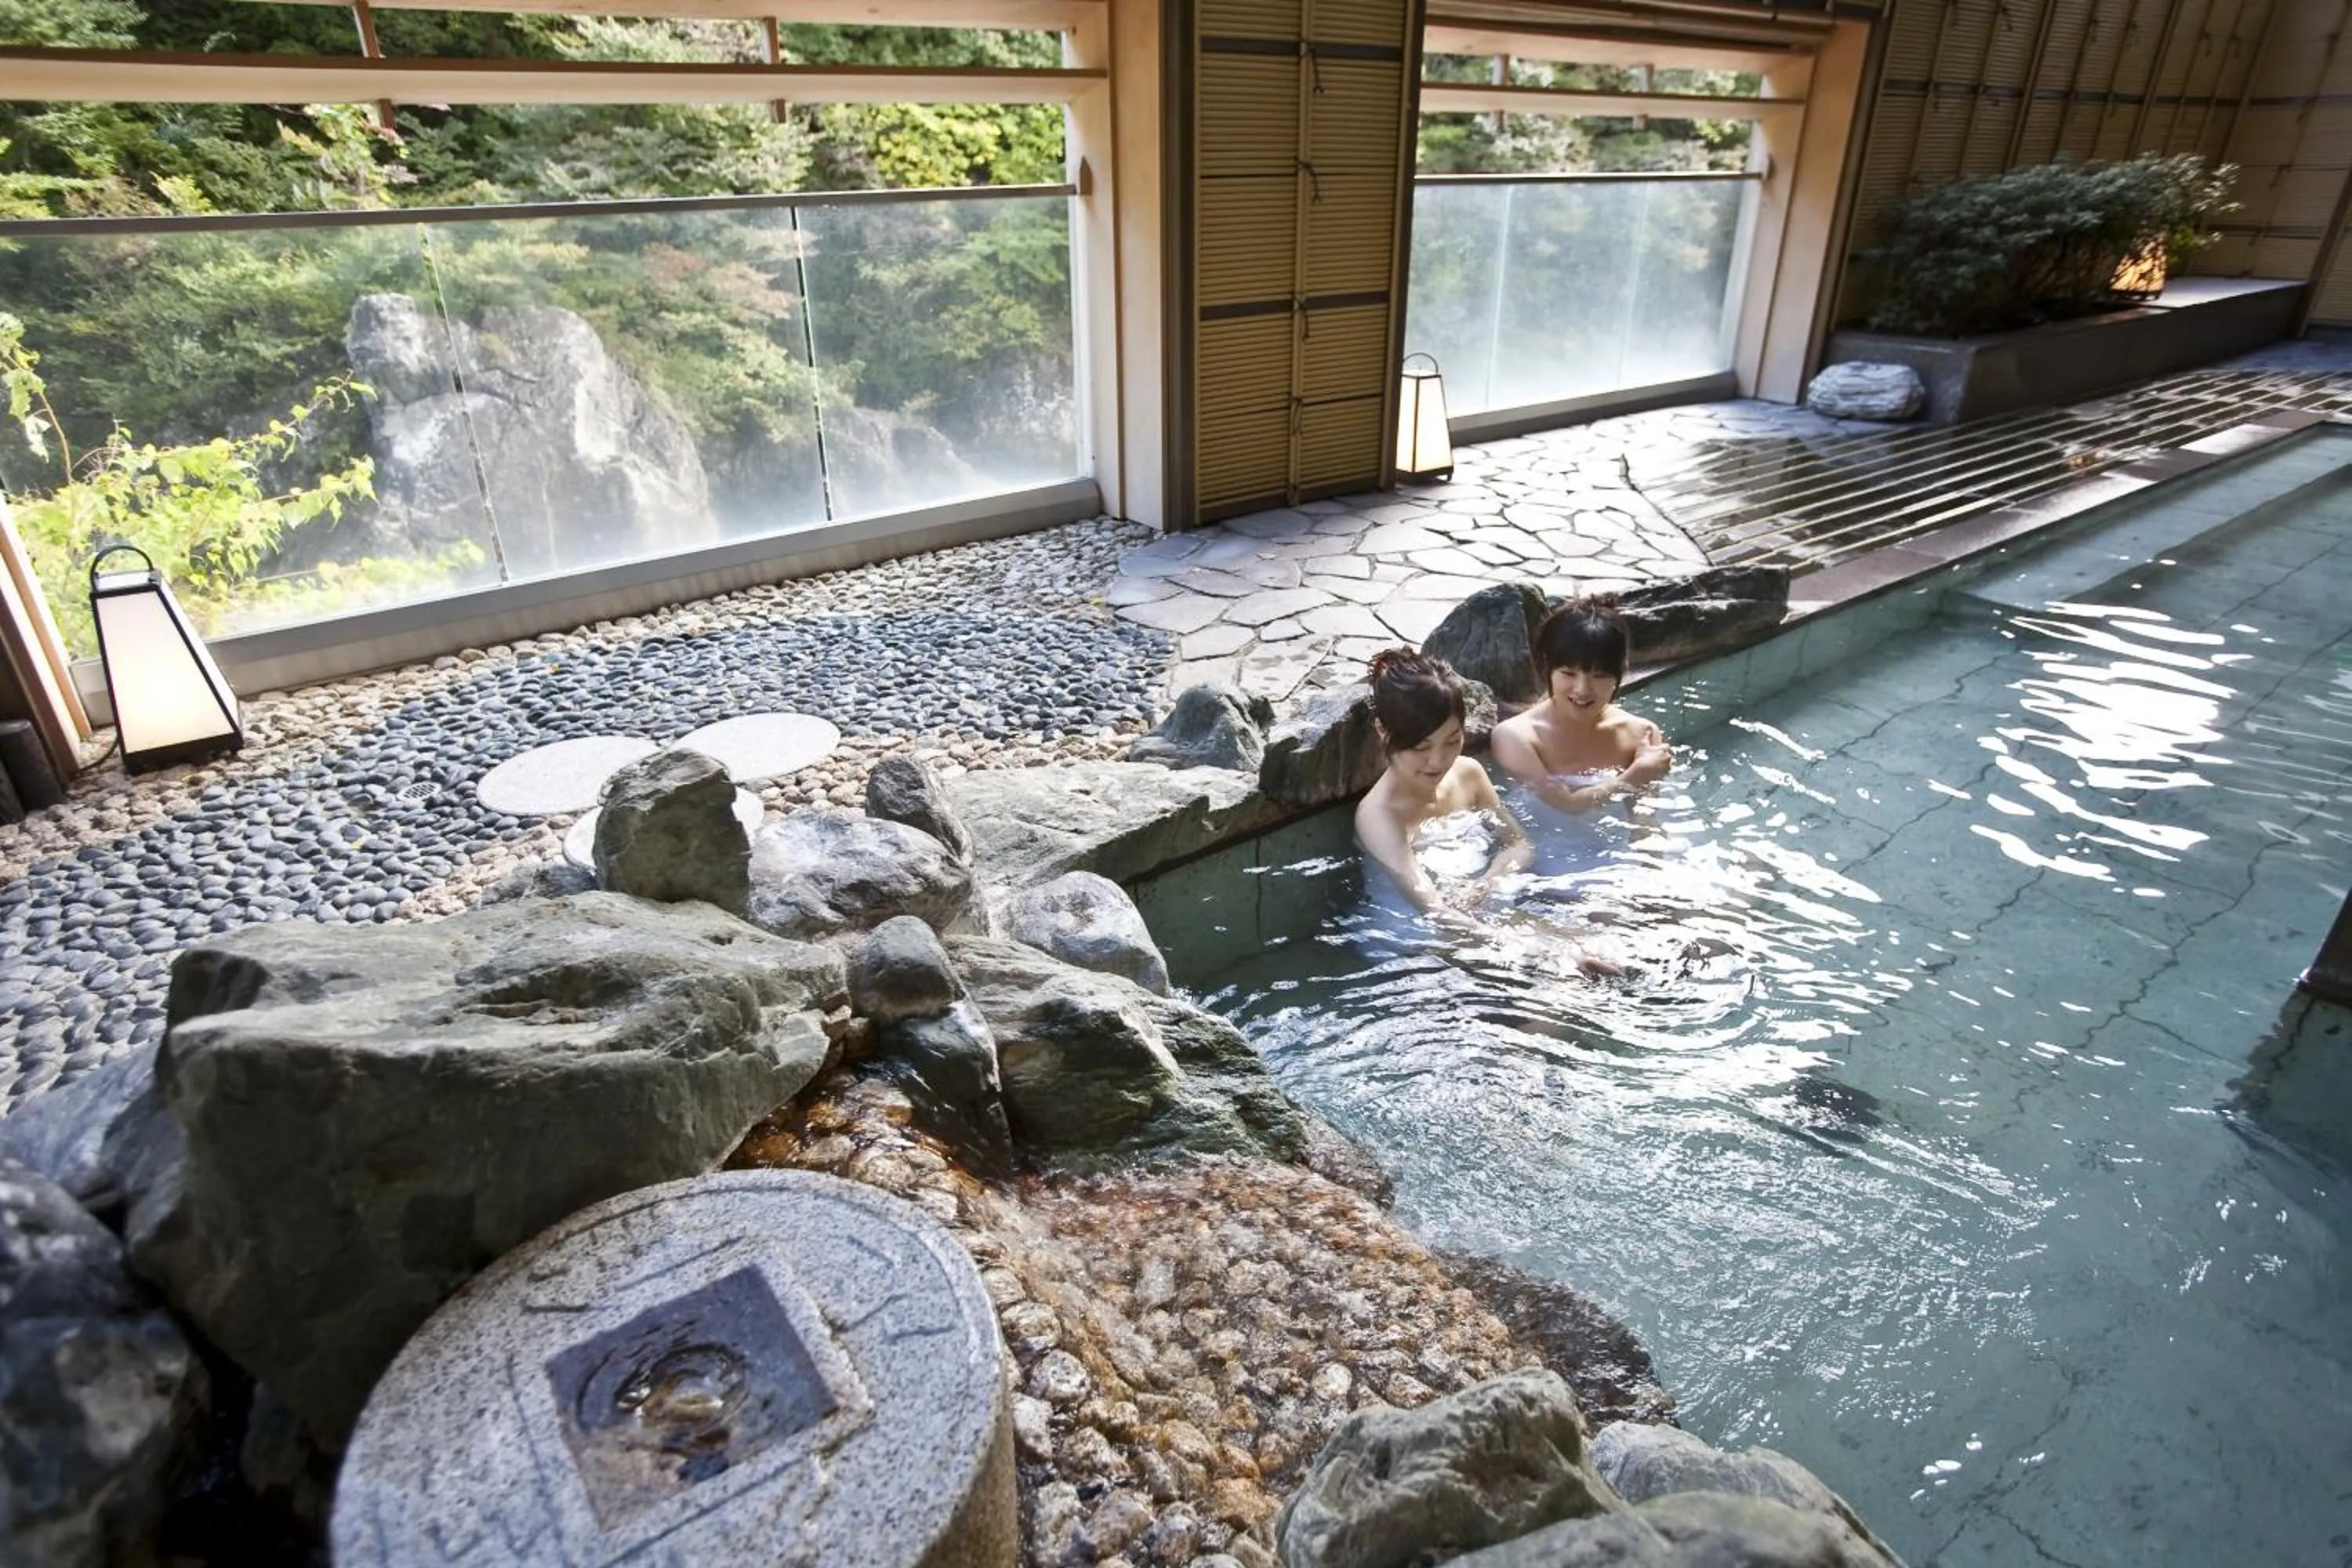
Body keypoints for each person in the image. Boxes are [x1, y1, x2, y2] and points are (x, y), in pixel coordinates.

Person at [1490, 597, 1672, 829]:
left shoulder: (1641, 734)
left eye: (1599, 676)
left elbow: (1644, 820)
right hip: (1544, 852)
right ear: (1547, 667)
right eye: (1568, 673)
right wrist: (1636, 775)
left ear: (1621, 671)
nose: (1583, 690)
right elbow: (1567, 805)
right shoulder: (1516, 737)